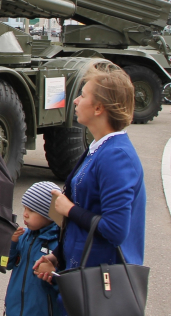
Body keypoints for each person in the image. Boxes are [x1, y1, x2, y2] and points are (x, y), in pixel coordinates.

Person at [33, 62, 146, 312]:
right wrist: (57, 256)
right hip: (85, 276)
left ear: (98, 108)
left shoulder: (117, 156)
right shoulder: (100, 148)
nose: (75, 100)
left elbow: (115, 229)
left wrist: (69, 209)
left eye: (82, 95)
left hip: (100, 286)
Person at [5, 181, 61, 316]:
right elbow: (6, 264)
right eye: (24, 208)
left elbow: (67, 286)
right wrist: (12, 243)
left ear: (49, 215)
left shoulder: (58, 243)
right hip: (15, 309)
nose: (25, 214)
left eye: (31, 211)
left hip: (41, 310)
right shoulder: (23, 236)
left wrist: (52, 274)